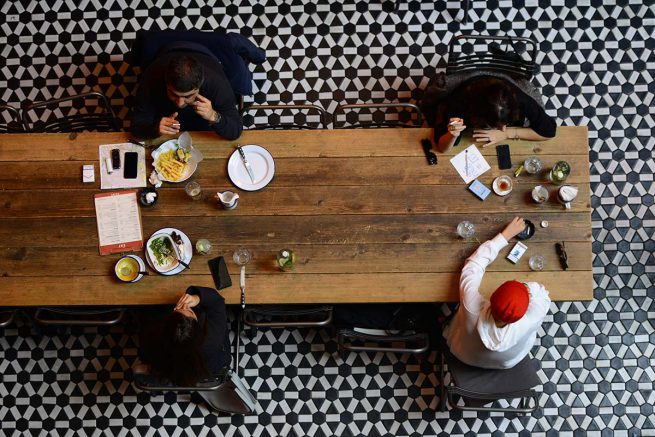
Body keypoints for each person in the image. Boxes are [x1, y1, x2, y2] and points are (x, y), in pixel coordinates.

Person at [442, 217, 551, 369]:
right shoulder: (532, 319)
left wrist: (505, 235)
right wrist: (526, 288)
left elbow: (473, 266)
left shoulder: (472, 307)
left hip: (464, 354)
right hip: (505, 364)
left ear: (492, 296)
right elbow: (542, 293)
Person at [422, 75, 557, 153]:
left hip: (506, 79)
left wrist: (507, 133)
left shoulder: (518, 99)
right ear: (476, 118)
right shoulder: (457, 105)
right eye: (494, 126)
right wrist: (452, 134)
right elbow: (442, 148)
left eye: (506, 124)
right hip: (463, 88)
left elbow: (549, 131)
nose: (503, 129)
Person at [131, 53, 242, 140]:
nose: (180, 103)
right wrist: (155, 129)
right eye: (174, 94)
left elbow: (236, 131)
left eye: (188, 96)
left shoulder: (217, 84)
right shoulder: (151, 79)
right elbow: (136, 127)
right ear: (166, 83)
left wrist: (214, 116)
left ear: (199, 87)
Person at [138, 286, 231, 386]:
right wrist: (197, 298)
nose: (185, 306)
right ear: (199, 329)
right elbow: (217, 301)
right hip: (211, 368)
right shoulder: (213, 337)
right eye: (190, 311)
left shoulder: (152, 339)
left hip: (169, 372)